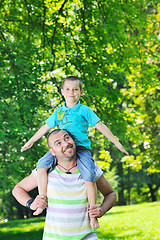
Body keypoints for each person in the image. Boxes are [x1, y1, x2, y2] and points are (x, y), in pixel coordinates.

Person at [21, 76, 128, 228]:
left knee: (89, 175)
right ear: (62, 92)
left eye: (75, 89)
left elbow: (100, 126)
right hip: (62, 151)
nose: (71, 92)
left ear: (81, 92)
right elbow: (45, 128)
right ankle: (41, 201)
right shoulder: (58, 112)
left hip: (81, 149)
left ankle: (93, 215)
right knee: (41, 165)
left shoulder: (84, 110)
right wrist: (31, 141)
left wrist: (116, 142)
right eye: (68, 89)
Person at [13, 129, 117, 240]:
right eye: (58, 143)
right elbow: (18, 189)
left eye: (67, 138)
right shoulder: (45, 171)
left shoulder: (90, 169)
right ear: (52, 151)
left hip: (87, 237)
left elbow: (111, 194)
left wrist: (101, 210)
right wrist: (31, 203)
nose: (66, 143)